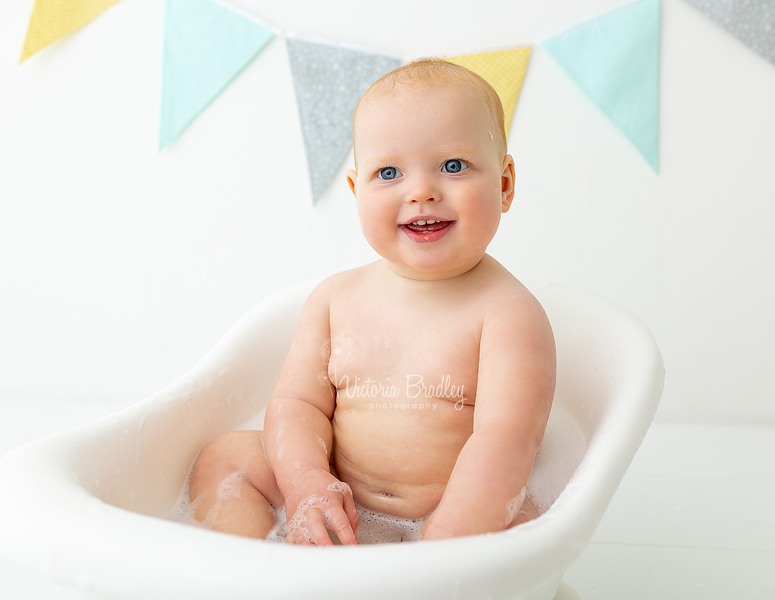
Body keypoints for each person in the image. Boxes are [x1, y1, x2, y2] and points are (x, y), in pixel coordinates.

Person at [188, 58, 556, 546]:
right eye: (389, 172)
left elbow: (506, 441)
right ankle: (255, 568)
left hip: (447, 510)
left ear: (505, 184)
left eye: (453, 166)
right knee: (224, 458)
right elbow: (298, 404)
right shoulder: (334, 301)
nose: (421, 191)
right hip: (335, 496)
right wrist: (306, 485)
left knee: (524, 519)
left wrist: (447, 536)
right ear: (356, 189)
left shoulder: (508, 316)